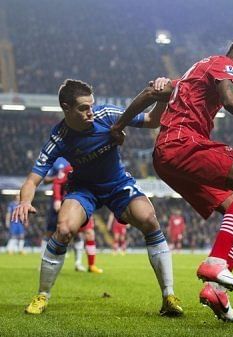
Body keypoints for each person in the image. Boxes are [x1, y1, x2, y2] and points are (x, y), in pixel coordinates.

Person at [111, 37, 233, 323]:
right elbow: (231, 100)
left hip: (167, 157)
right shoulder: (222, 64)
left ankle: (215, 291)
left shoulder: (191, 77)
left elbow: (150, 91)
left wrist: (119, 125)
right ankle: (215, 264)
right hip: (183, 144)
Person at [14, 79, 183, 317]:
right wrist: (24, 201)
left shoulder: (106, 114)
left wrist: (161, 100)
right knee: (63, 230)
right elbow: (32, 180)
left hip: (117, 184)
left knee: (149, 219)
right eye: (83, 108)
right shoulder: (59, 137)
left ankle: (168, 296)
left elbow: (151, 121)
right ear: (66, 108)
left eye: (91, 106)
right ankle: (42, 295)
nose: (90, 112)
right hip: (84, 189)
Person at [41, 158, 87, 271]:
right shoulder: (64, 164)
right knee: (50, 232)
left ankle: (78, 263)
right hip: (62, 202)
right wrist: (57, 199)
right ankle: (42, 262)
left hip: (79, 203)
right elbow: (56, 182)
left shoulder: (88, 164)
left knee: (79, 233)